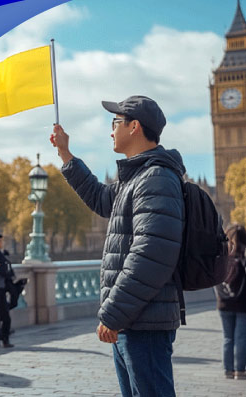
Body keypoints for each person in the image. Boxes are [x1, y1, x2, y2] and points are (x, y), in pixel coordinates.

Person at [50, 95, 185, 396]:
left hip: (142, 322)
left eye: (115, 123)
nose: (110, 130)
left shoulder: (156, 178)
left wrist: (112, 314)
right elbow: (100, 198)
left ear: (134, 127)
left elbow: (150, 255)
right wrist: (65, 155)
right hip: (133, 320)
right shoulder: (137, 178)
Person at [214, 224, 246, 380]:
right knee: (241, 337)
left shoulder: (222, 256)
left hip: (223, 304)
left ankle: (228, 370)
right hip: (242, 304)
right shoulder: (243, 257)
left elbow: (215, 281)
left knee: (228, 337)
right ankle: (239, 370)